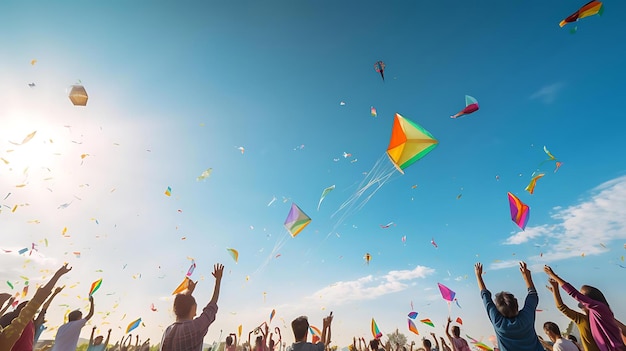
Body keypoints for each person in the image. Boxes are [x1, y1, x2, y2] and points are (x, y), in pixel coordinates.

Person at [544, 266, 626, 351]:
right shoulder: (588, 318)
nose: (580, 303)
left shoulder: (600, 309)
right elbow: (562, 307)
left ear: (589, 300)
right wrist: (555, 291)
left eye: (583, 300)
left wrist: (554, 276)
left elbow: (574, 294)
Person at [0, 264, 72, 350]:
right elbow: (35, 303)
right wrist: (57, 276)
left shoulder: (10, 333)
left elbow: (35, 304)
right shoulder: (8, 337)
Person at [475, 262, 544, 351]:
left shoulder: (498, 322)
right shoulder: (526, 317)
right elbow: (533, 295)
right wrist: (527, 277)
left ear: (498, 310)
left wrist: (478, 276)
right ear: (516, 304)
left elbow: (486, 299)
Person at [160, 263, 224, 351]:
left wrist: (188, 292)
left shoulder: (168, 332)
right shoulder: (195, 328)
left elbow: (180, 304)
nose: (196, 313)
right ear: (193, 309)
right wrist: (218, 281)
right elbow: (212, 306)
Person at [546, 278, 599, 351]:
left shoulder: (583, 320)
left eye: (581, 303)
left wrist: (555, 289)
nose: (580, 306)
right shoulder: (605, 318)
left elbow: (562, 307)